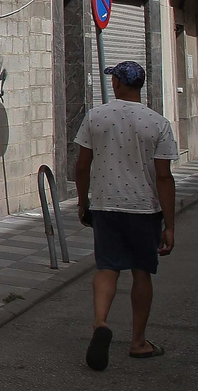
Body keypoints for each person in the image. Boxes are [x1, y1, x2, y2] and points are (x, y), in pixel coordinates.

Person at [72, 59, 177, 370]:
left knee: (107, 269)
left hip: (105, 206)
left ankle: (101, 323)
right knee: (141, 272)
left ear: (117, 84)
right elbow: (164, 177)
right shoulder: (158, 123)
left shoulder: (96, 117)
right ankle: (138, 342)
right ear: (140, 87)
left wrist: (82, 202)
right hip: (144, 209)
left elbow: (81, 166)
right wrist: (169, 225)